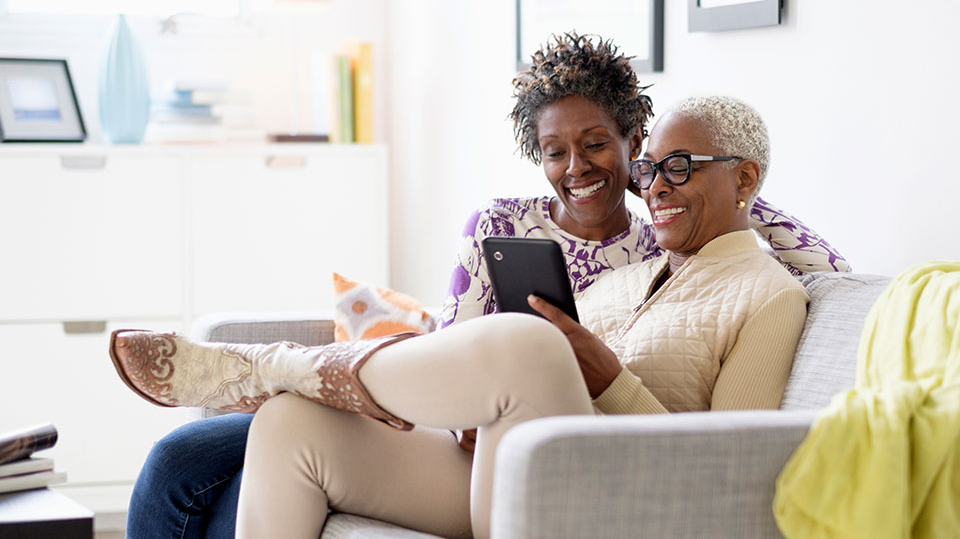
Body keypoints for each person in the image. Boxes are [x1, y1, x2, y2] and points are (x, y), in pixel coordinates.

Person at [123, 33, 845, 538]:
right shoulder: (624, 278)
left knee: (536, 340)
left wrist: (608, 375)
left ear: (745, 177)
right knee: (290, 426)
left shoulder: (768, 293)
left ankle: (284, 368)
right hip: (493, 447)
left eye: (671, 167)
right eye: (652, 170)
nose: (655, 186)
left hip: (601, 486)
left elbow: (732, 470)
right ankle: (296, 385)